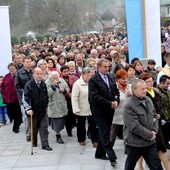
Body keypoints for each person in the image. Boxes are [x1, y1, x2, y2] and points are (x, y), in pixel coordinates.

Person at [123, 79, 163, 170]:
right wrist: (150, 134)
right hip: (135, 143)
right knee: (130, 166)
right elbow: (134, 126)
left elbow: (155, 117)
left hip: (150, 142)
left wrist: (154, 131)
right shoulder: (129, 105)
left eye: (145, 88)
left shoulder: (148, 100)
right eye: (142, 89)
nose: (145, 90)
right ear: (134, 90)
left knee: (157, 166)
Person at [88, 58, 119, 167]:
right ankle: (112, 157)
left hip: (110, 110)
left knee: (104, 132)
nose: (107, 69)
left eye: (108, 67)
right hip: (98, 111)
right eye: (105, 67)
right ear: (99, 67)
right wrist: (109, 103)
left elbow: (115, 91)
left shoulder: (111, 77)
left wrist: (116, 101)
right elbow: (95, 97)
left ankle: (99, 153)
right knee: (105, 133)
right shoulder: (93, 80)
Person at [138, 72, 170, 170]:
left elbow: (160, 106)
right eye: (147, 82)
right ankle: (140, 167)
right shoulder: (143, 94)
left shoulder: (155, 92)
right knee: (144, 148)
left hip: (157, 123)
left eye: (151, 81)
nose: (150, 83)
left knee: (161, 147)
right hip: (147, 125)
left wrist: (160, 114)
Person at [22, 67, 52, 151]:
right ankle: (34, 142)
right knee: (34, 129)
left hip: (42, 111)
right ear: (33, 75)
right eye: (37, 74)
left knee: (44, 128)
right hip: (33, 111)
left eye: (40, 74)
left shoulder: (43, 84)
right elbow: (25, 98)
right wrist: (28, 109)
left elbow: (46, 96)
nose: (39, 75)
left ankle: (45, 145)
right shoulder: (29, 85)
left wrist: (46, 105)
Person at [71, 67, 98, 147]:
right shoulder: (77, 84)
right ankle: (81, 139)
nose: (89, 77)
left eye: (90, 75)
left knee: (93, 125)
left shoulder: (93, 82)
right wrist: (76, 108)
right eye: (87, 76)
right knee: (81, 125)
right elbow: (74, 97)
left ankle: (95, 140)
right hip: (81, 107)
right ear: (83, 74)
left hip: (91, 108)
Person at [46, 71, 69, 144]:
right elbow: (47, 94)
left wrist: (64, 90)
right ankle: (58, 135)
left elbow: (67, 89)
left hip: (62, 103)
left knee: (62, 119)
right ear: (50, 78)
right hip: (54, 104)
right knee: (57, 120)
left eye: (57, 77)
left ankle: (60, 132)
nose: (56, 79)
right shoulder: (47, 83)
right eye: (54, 78)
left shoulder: (61, 80)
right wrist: (52, 87)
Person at [110, 70, 132, 147]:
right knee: (113, 132)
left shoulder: (130, 86)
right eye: (123, 79)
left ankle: (128, 147)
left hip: (128, 113)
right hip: (117, 112)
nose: (125, 80)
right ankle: (109, 148)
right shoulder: (114, 86)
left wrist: (132, 93)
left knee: (127, 132)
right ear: (118, 79)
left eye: (126, 78)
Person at [15, 56, 33, 141]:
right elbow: (17, 86)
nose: (28, 63)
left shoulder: (34, 72)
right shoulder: (19, 73)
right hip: (23, 99)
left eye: (30, 61)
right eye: (27, 62)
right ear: (23, 62)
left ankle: (35, 132)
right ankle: (28, 134)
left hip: (34, 98)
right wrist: (25, 91)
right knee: (26, 117)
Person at [1, 63, 22, 133]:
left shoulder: (18, 76)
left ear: (16, 69)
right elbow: (2, 86)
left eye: (13, 68)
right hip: (8, 98)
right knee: (10, 113)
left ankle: (16, 127)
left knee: (17, 113)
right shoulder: (6, 77)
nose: (11, 70)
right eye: (10, 69)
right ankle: (16, 120)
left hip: (16, 98)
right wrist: (3, 92)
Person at [156, 75, 170, 149]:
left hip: (168, 116)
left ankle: (165, 143)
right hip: (162, 117)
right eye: (167, 83)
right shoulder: (156, 91)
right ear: (161, 82)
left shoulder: (167, 91)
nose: (168, 85)